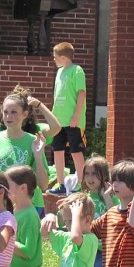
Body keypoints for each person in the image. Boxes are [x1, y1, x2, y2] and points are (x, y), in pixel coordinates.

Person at [0, 92, 50, 215]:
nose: (8, 116)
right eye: (6, 112)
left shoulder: (33, 141)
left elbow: (43, 184)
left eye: (14, 112)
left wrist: (38, 155)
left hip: (29, 208)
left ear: (25, 114)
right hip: (0, 207)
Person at [47, 42, 87, 194]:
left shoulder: (77, 71)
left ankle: (83, 184)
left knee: (76, 151)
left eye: (56, 57)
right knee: (57, 150)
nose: (54, 59)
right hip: (59, 121)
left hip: (73, 121)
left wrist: (76, 116)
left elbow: (81, 93)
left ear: (63, 57)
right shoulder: (59, 72)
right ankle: (60, 183)